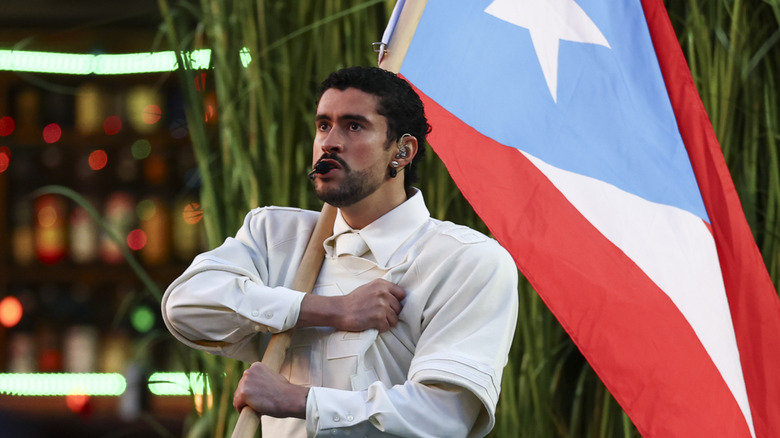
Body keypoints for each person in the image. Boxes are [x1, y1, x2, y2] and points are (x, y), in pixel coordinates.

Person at [162, 66, 518, 437]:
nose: (330, 142)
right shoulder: (275, 236)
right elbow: (185, 306)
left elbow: (443, 418)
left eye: (354, 126)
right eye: (323, 125)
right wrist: (330, 310)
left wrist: (299, 400)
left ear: (403, 150)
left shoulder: (465, 260)